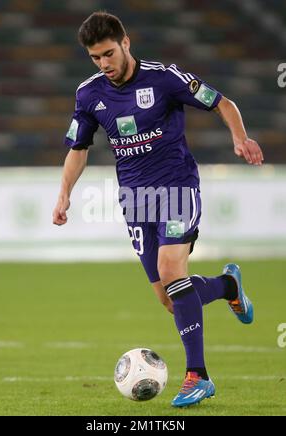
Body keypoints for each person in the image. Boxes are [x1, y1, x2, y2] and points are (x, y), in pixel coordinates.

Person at [53, 11, 264, 407]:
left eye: (109, 53)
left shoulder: (164, 78)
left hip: (177, 188)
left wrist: (240, 137)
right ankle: (226, 286)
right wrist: (64, 193)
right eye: (95, 58)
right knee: (171, 299)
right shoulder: (89, 94)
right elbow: (77, 149)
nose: (104, 64)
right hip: (135, 201)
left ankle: (197, 376)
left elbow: (222, 102)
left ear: (126, 42)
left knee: (172, 272)